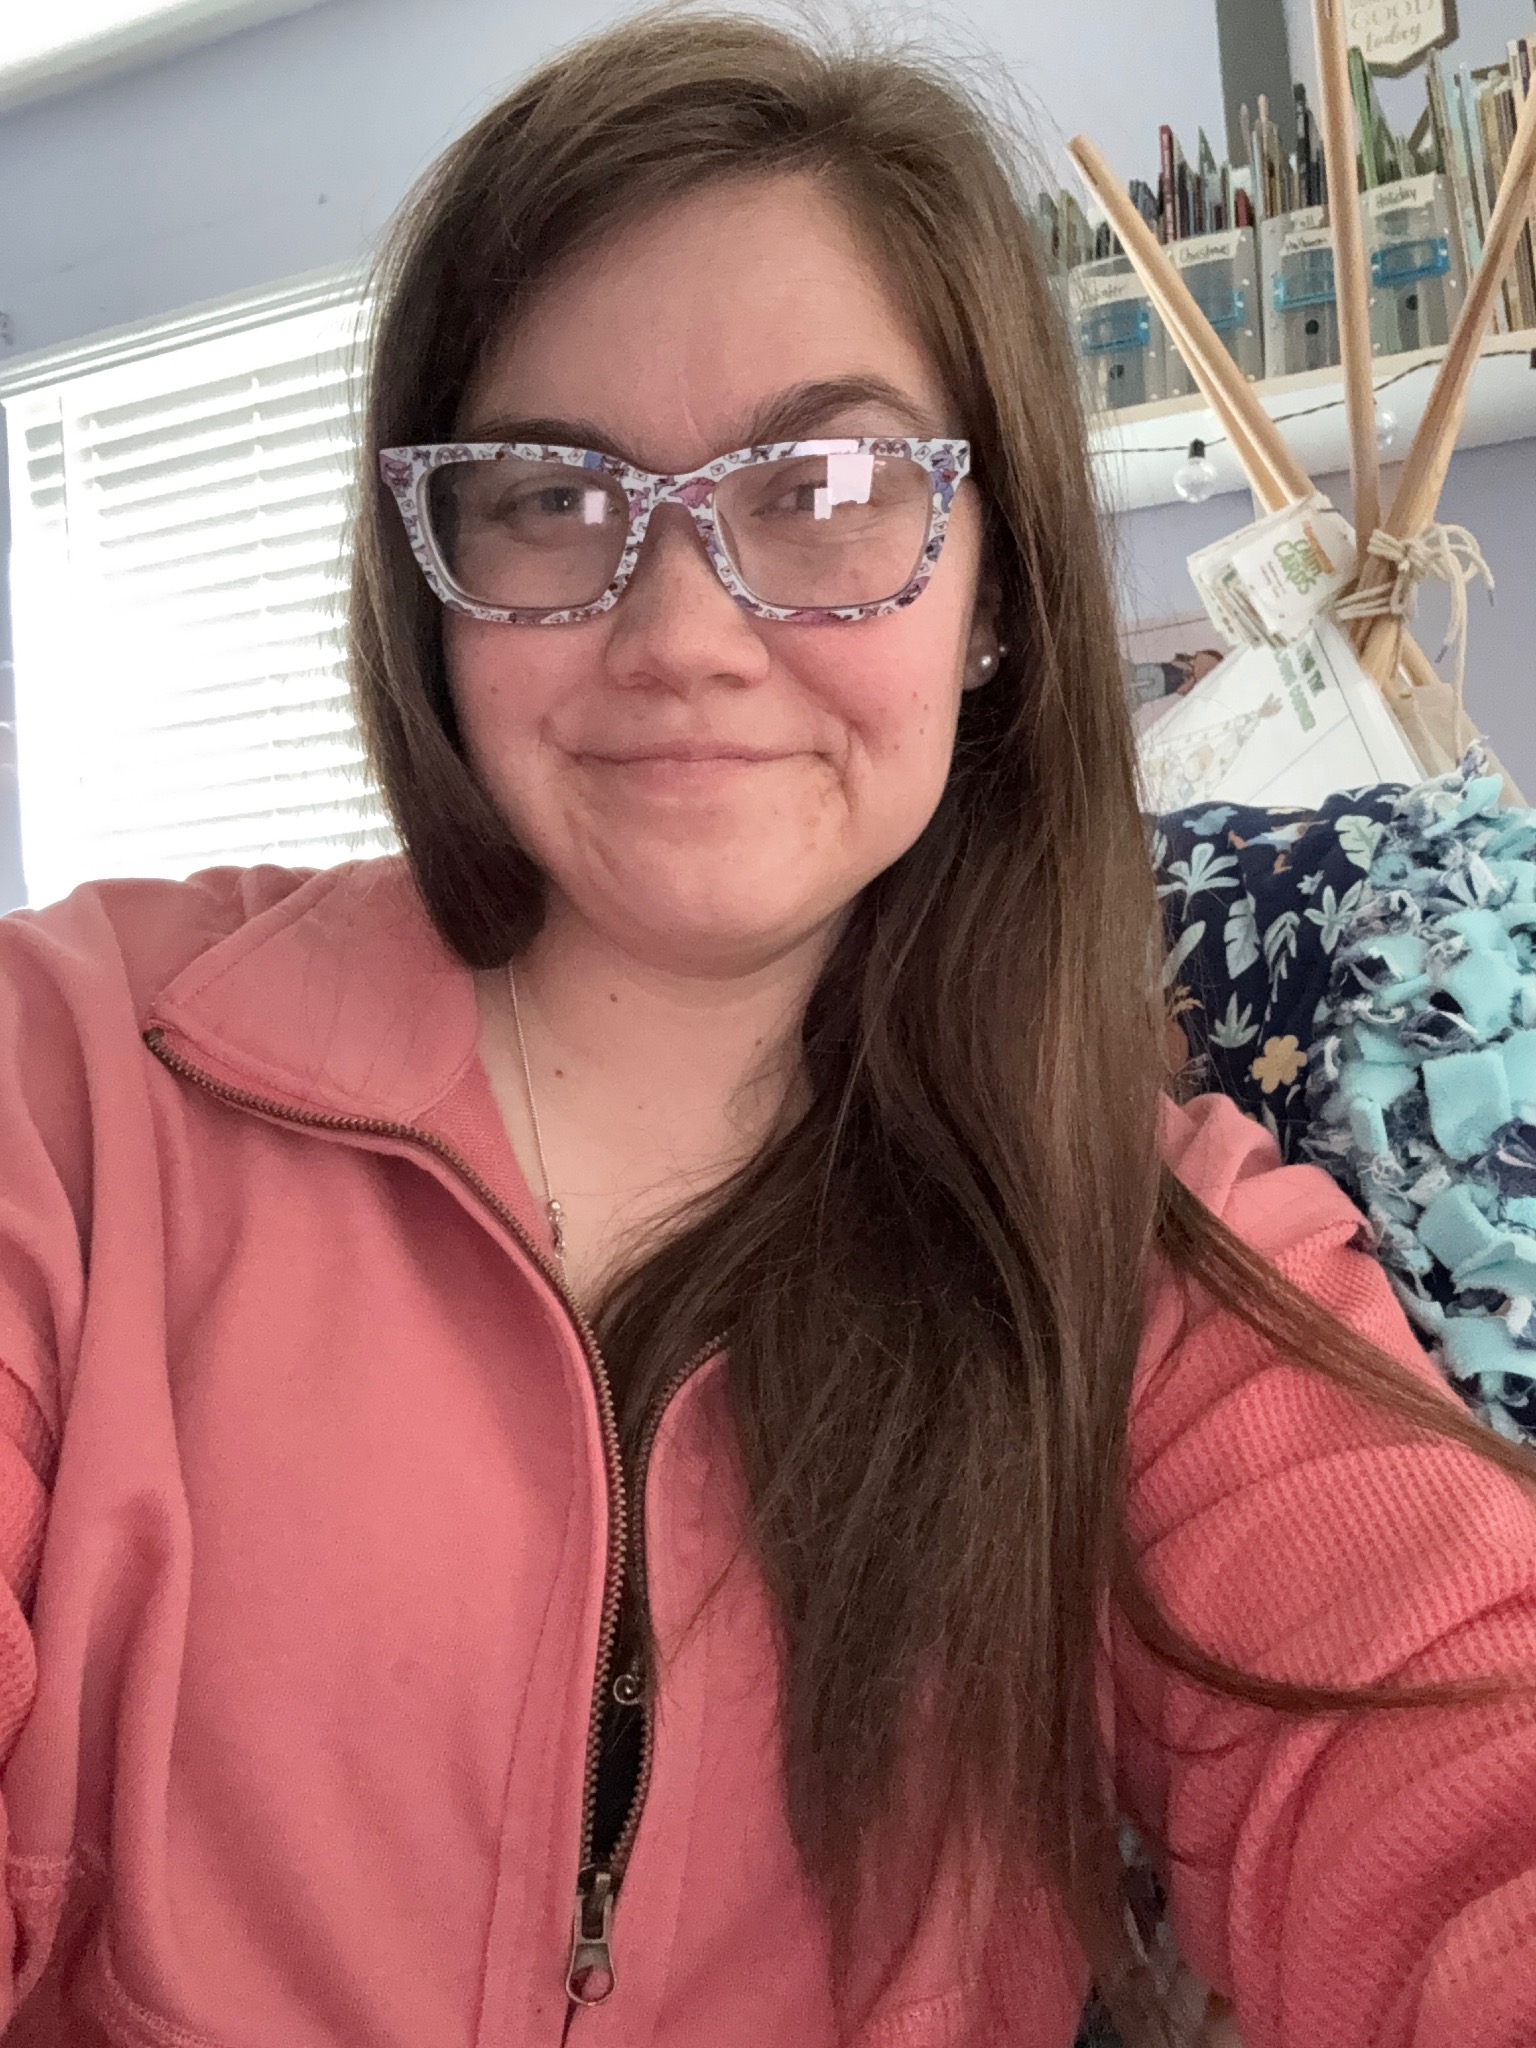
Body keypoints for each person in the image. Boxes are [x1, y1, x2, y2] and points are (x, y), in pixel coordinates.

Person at [1, 14, 1534, 2047]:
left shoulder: (1150, 1263)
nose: (680, 633)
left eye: (825, 485)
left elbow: (1451, 1777)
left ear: (997, 598)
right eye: (552, 496)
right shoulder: (72, 1085)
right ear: (431, 582)